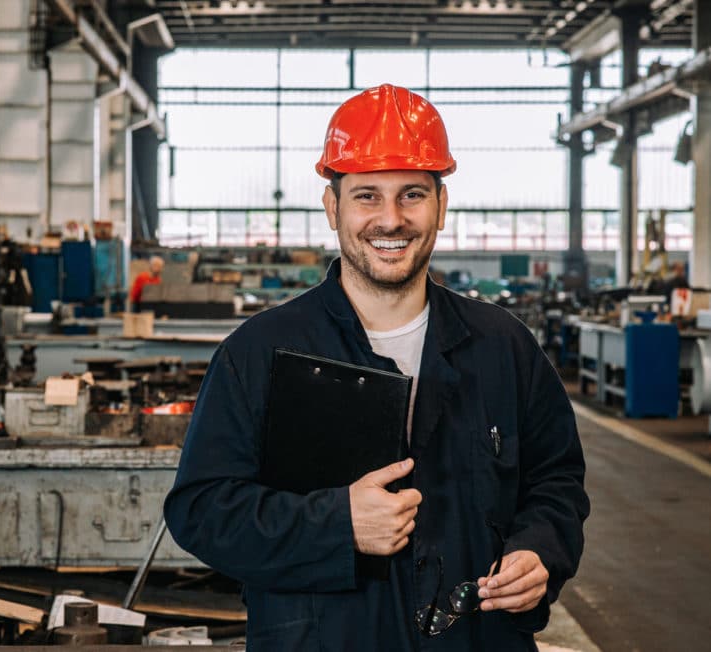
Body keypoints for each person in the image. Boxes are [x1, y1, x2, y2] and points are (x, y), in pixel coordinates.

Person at [164, 84, 589, 651]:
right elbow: (201, 510)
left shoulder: (503, 347)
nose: (391, 220)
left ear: (441, 205)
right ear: (332, 206)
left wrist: (540, 550)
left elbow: (556, 481)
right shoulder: (259, 352)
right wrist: (337, 523)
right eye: (367, 195)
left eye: (412, 194)